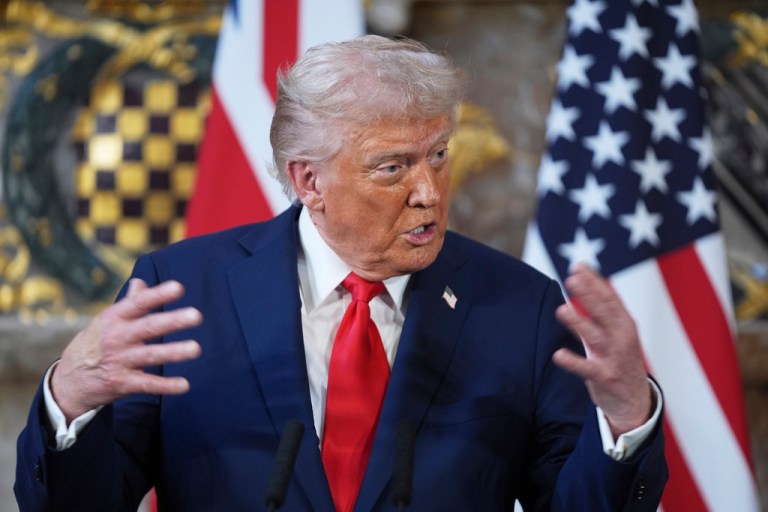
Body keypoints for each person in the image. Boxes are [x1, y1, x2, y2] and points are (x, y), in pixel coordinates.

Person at [15, 35, 667, 511]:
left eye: (438, 155)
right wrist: (69, 401)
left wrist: (625, 420)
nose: (430, 192)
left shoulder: (518, 308)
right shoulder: (187, 291)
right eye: (393, 168)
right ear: (308, 180)